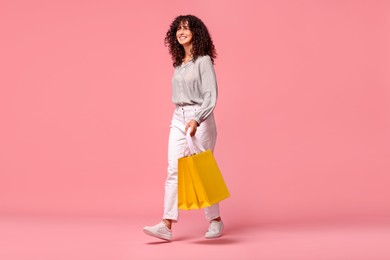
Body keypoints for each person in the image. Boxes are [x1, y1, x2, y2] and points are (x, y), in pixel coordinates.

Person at [143, 14, 223, 241]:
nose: (181, 32)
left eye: (186, 28)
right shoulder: (179, 63)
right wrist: (185, 119)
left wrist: (197, 119)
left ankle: (215, 220)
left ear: (196, 33)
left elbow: (210, 95)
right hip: (178, 117)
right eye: (178, 29)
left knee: (202, 169)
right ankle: (166, 225)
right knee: (173, 170)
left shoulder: (203, 61)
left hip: (200, 118)